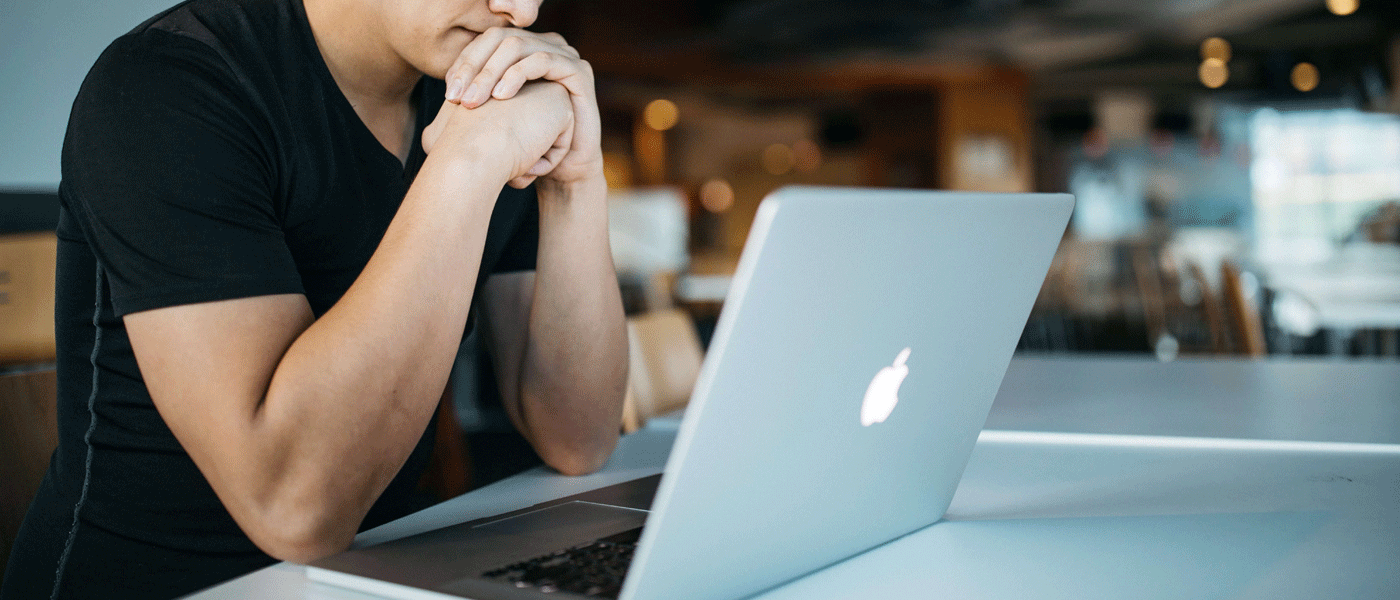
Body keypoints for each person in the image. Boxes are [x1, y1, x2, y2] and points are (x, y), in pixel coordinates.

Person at [0, 0, 627, 597]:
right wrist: (469, 160)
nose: (522, 12)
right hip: (165, 584)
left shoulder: (482, 88)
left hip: (366, 572)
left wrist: (575, 178)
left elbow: (578, 438)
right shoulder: (167, 84)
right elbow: (293, 512)